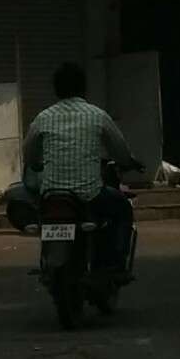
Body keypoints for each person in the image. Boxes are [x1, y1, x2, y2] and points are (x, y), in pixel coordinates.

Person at [20, 63, 134, 272]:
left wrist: (36, 164)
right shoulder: (97, 115)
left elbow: (28, 153)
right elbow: (120, 150)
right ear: (83, 88)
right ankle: (115, 263)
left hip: (52, 195)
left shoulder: (43, 117)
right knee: (122, 208)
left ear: (56, 89)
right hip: (89, 194)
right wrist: (128, 162)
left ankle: (49, 264)